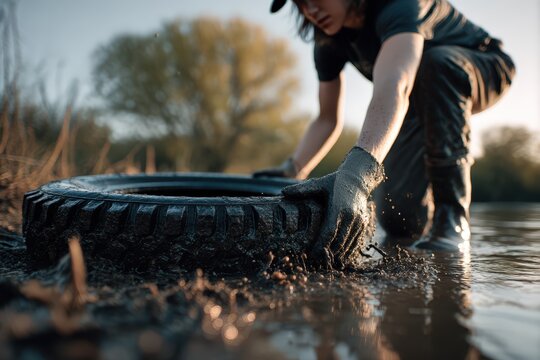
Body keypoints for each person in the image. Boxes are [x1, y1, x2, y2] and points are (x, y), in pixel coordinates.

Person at [254, 0, 515, 268]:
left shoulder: (399, 4)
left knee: (436, 62)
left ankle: (452, 217)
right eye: (300, 3)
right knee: (399, 222)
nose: (311, 10)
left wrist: (357, 176)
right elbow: (326, 118)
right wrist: (294, 168)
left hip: (482, 64)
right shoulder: (328, 41)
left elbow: (396, 84)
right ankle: (427, 215)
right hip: (415, 100)